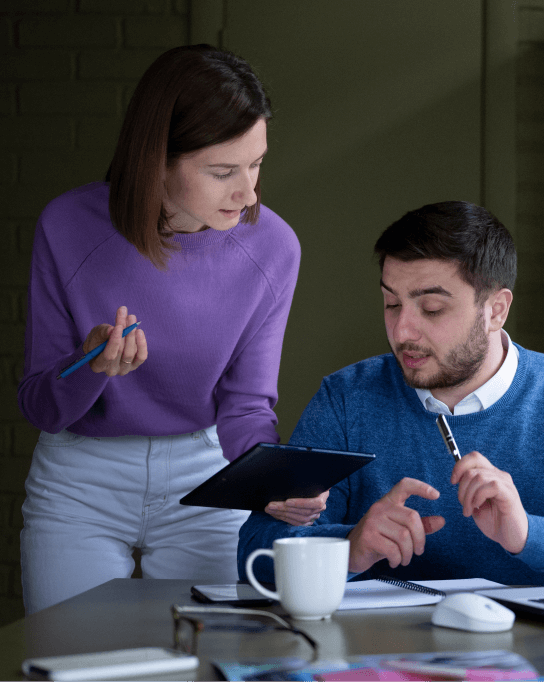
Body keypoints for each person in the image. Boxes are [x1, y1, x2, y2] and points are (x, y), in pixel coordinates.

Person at [18, 44, 326, 615]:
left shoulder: (274, 247)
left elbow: (246, 406)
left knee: (214, 652)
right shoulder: (66, 225)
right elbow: (39, 404)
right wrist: (90, 367)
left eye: (256, 164)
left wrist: (274, 482)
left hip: (205, 472)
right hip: (81, 478)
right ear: (156, 159)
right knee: (70, 654)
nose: (248, 193)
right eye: (223, 171)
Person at [238, 201, 544, 586]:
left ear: (496, 310)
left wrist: (528, 535)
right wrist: (348, 548)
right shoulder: (346, 399)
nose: (401, 332)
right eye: (392, 304)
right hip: (380, 628)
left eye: (431, 309)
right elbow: (253, 552)